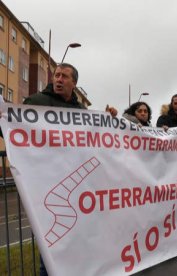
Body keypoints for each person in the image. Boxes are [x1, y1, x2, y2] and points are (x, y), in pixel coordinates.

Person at [22, 63, 115, 276]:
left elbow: (97, 139)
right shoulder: (36, 102)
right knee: (51, 247)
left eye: (64, 76)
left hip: (79, 188)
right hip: (47, 184)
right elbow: (16, 131)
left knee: (78, 244)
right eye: (56, 75)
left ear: (74, 83)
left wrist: (108, 119)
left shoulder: (81, 111)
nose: (58, 79)